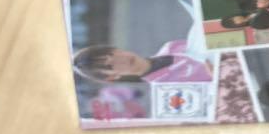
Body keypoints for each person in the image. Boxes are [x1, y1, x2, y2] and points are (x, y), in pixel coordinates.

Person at [72, 41, 211, 84]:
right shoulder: (164, 89)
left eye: (111, 54)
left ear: (115, 49)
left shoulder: (172, 46)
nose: (121, 60)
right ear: (112, 77)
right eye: (110, 66)